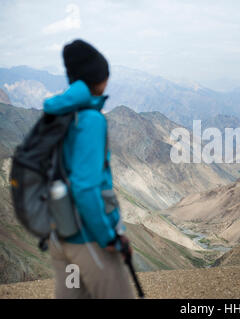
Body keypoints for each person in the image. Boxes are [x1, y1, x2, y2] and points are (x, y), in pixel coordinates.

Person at [43, 39, 135, 299]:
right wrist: (109, 237)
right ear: (99, 79)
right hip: (88, 242)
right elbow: (85, 188)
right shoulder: (91, 120)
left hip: (61, 238)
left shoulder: (58, 115)